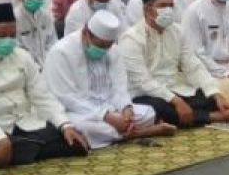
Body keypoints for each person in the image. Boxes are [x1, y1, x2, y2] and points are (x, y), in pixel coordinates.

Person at [0, 3, 90, 166]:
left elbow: (41, 95)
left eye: (12, 35)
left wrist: (65, 125)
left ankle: (24, 150)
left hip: (24, 122)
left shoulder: (21, 56)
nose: (8, 40)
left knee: (75, 141)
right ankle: (31, 149)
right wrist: (0, 139)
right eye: (2, 35)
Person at [43, 11, 174, 148]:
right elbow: (66, 97)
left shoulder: (112, 50)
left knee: (148, 113)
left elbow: (119, 86)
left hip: (109, 107)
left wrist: (126, 109)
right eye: (101, 45)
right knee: (86, 127)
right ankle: (139, 133)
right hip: (77, 111)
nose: (104, 50)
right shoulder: (61, 52)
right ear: (86, 33)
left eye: (108, 45)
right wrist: (106, 116)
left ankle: (124, 132)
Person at [120, 0, 229, 128]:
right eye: (162, 5)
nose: (168, 10)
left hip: (175, 88)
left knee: (209, 99)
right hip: (145, 94)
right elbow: (143, 81)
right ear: (147, 10)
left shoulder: (177, 31)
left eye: (170, 5)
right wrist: (176, 101)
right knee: (160, 109)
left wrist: (215, 94)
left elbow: (193, 65)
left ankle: (199, 115)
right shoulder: (131, 38)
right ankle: (213, 117)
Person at [12, 0, 58, 67]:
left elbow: (52, 43)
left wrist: (49, 63)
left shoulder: (46, 16)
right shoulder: (14, 19)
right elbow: (16, 50)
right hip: (25, 67)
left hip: (48, 64)